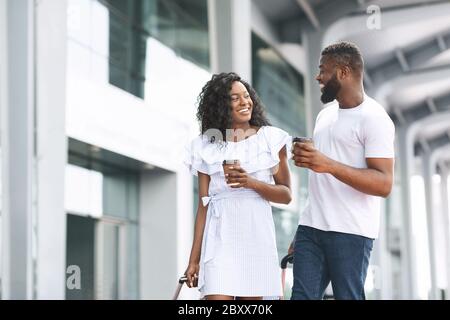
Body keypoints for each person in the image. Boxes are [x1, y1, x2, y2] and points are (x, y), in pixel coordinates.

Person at [290, 41, 395, 300]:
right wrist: (300, 229)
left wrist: (327, 164)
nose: (318, 77)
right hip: (311, 228)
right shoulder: (324, 116)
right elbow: (319, 181)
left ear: (343, 72)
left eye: (323, 70)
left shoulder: (375, 118)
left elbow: (384, 184)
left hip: (351, 231)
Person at [183, 72, 292, 300]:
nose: (245, 102)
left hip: (256, 239)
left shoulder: (270, 140)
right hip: (219, 240)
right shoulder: (206, 145)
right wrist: (193, 260)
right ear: (221, 105)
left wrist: (250, 182)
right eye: (235, 98)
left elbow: (286, 195)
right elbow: (203, 206)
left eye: (246, 95)